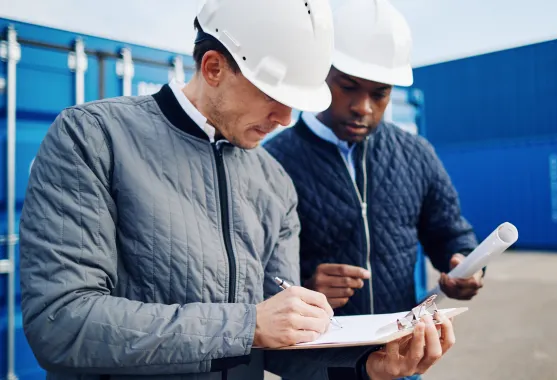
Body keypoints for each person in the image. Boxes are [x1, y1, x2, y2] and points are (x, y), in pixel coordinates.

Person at [17, 0, 455, 379]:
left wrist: (367, 368)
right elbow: (61, 322)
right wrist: (246, 324)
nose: (285, 118)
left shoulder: (274, 181)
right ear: (213, 68)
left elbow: (279, 342)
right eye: (273, 94)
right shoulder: (94, 138)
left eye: (296, 100)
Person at [265, 0, 484, 328]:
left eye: (379, 94)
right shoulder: (273, 162)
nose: (363, 107)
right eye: (348, 87)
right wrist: (302, 288)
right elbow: (254, 272)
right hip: (317, 362)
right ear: (318, 70)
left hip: (400, 354)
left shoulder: (416, 154)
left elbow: (449, 231)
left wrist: (465, 263)